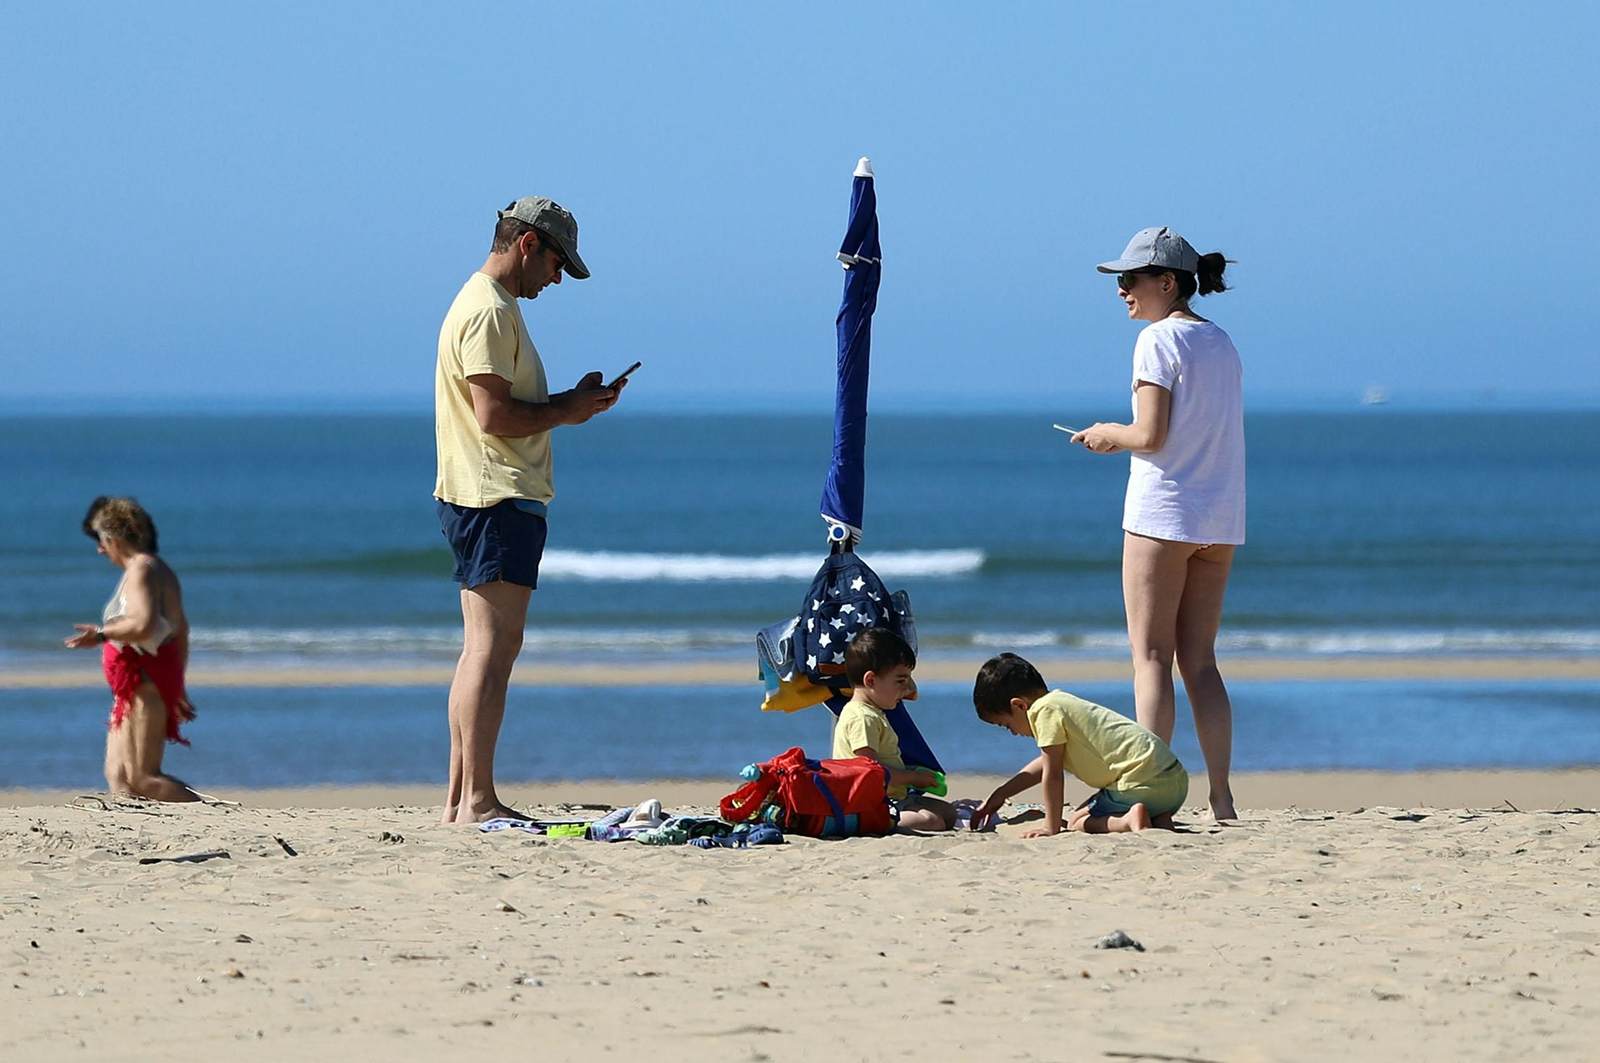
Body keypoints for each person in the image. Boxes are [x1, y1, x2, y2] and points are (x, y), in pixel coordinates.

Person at [434, 195, 626, 825]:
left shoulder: (482, 304)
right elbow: (493, 417)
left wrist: (568, 401)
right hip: (496, 494)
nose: (557, 279)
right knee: (494, 648)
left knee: (479, 649)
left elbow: (496, 407)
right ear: (527, 244)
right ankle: (477, 799)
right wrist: (566, 412)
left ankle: (462, 799)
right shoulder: (490, 310)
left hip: (479, 492)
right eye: (556, 264)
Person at [1068, 226, 1243, 820]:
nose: (1121, 291)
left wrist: (1104, 434)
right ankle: (1220, 797)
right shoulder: (1220, 341)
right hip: (1220, 519)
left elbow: (1150, 435)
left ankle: (1150, 794)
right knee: (1201, 661)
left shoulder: (1157, 342)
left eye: (1130, 280)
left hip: (1164, 515)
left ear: (1167, 282)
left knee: (1151, 658)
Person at [64, 496, 201, 802]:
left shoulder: (143, 569)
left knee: (143, 778)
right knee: (119, 776)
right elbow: (182, 631)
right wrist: (179, 687)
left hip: (145, 684)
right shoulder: (154, 569)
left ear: (113, 539)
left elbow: (144, 624)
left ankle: (212, 815)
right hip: (134, 685)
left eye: (101, 541)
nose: (100, 550)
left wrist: (101, 634)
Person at [970, 653, 1187, 835]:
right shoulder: (1062, 703)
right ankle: (1160, 820)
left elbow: (1053, 773)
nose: (1014, 733)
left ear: (1019, 706)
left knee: (1077, 820)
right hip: (1174, 784)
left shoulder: (1043, 711)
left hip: (1139, 784)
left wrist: (1051, 826)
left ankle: (1128, 820)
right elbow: (1044, 765)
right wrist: (1000, 794)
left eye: (1007, 725)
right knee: (1099, 807)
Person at [831, 629, 957, 832]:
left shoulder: (874, 713)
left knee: (949, 813)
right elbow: (870, 772)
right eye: (900, 681)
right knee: (932, 821)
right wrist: (912, 778)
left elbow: (885, 763)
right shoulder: (861, 717)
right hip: (869, 803)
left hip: (894, 796)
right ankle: (874, 823)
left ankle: (902, 812)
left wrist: (913, 772)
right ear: (870, 681)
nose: (907, 689)